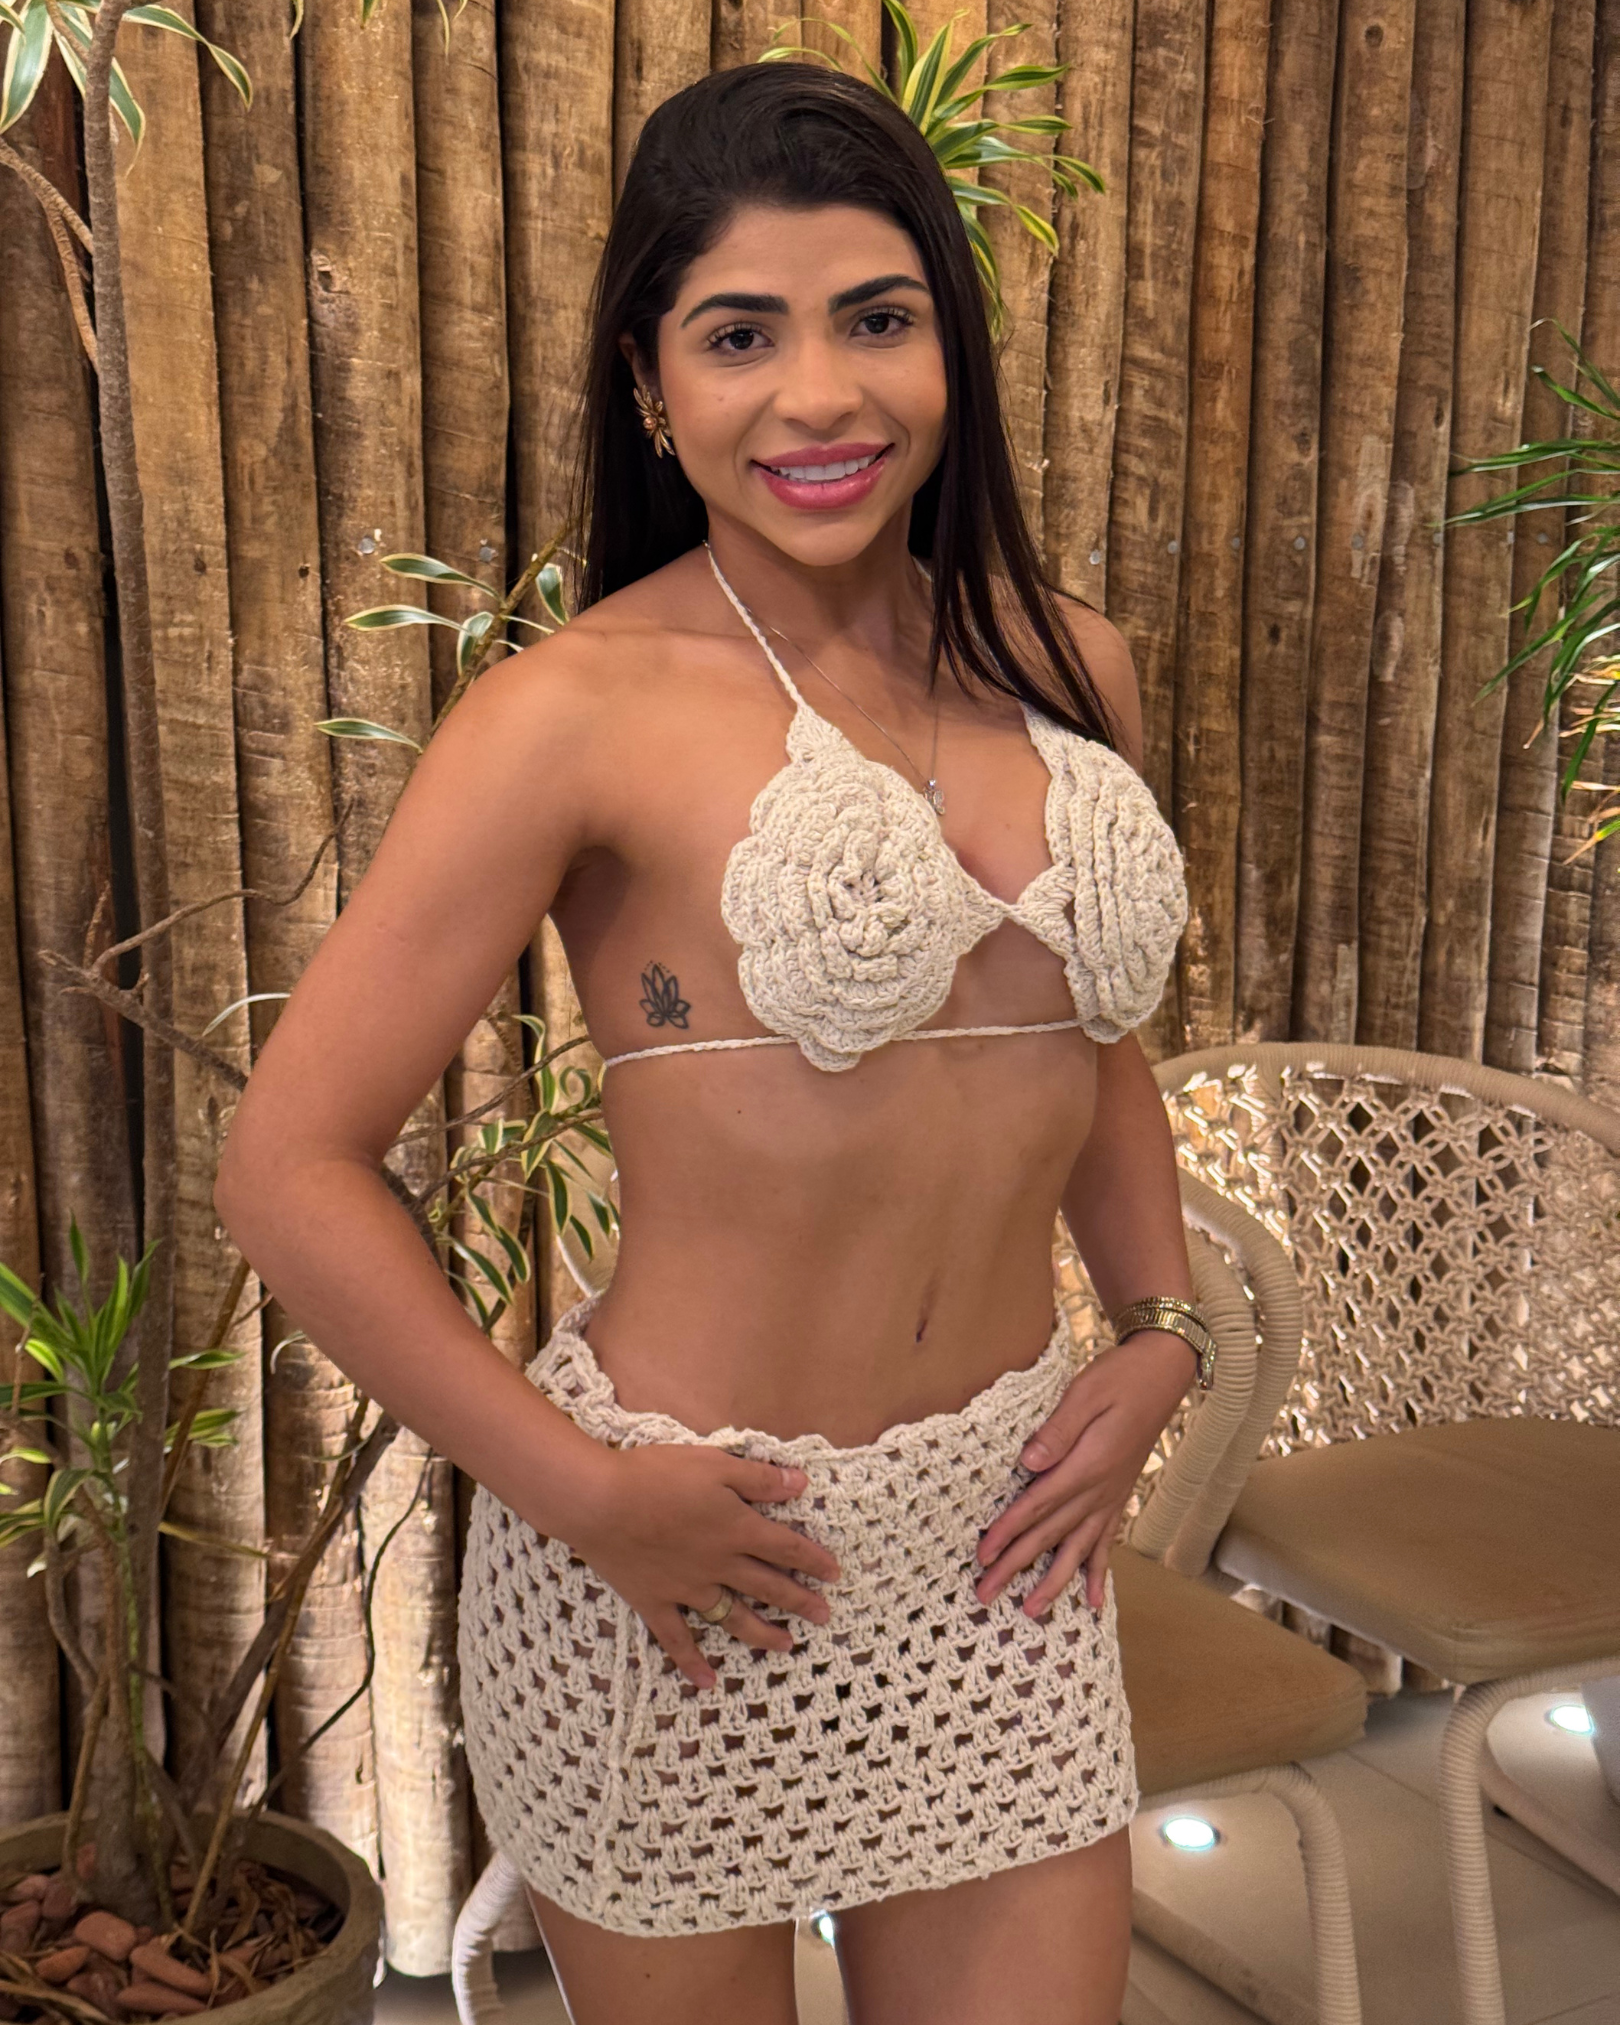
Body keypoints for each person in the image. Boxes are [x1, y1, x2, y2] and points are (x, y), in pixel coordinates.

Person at [215, 61, 1209, 2025]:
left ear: (950, 344)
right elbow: (288, 1167)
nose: (820, 396)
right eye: (741, 335)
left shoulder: (1060, 657)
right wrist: (581, 1493)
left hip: (1001, 1547)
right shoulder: (573, 714)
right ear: (651, 383)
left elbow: (1087, 1031)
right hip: (686, 1555)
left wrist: (1163, 1322)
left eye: (877, 318)